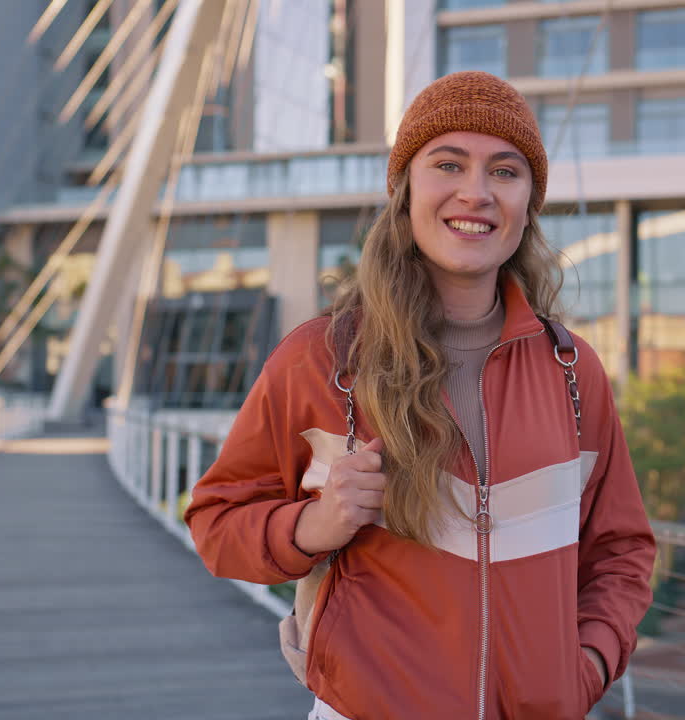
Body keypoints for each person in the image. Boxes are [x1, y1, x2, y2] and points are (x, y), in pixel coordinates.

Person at [185, 71, 656, 720]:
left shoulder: (571, 370)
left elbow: (621, 551)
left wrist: (590, 667)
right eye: (448, 163)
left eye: (506, 171)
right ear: (405, 191)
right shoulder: (323, 358)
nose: (477, 192)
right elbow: (216, 524)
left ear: (528, 202)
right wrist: (313, 525)